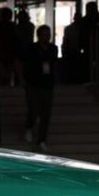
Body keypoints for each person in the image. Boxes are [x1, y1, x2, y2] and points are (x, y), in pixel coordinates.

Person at [21, 24, 59, 152]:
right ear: (39, 36)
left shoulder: (53, 48)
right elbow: (25, 62)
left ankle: (42, 140)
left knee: (46, 113)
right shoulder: (31, 48)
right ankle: (29, 126)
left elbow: (53, 62)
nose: (47, 37)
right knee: (34, 108)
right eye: (45, 34)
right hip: (33, 83)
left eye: (49, 34)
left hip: (47, 83)